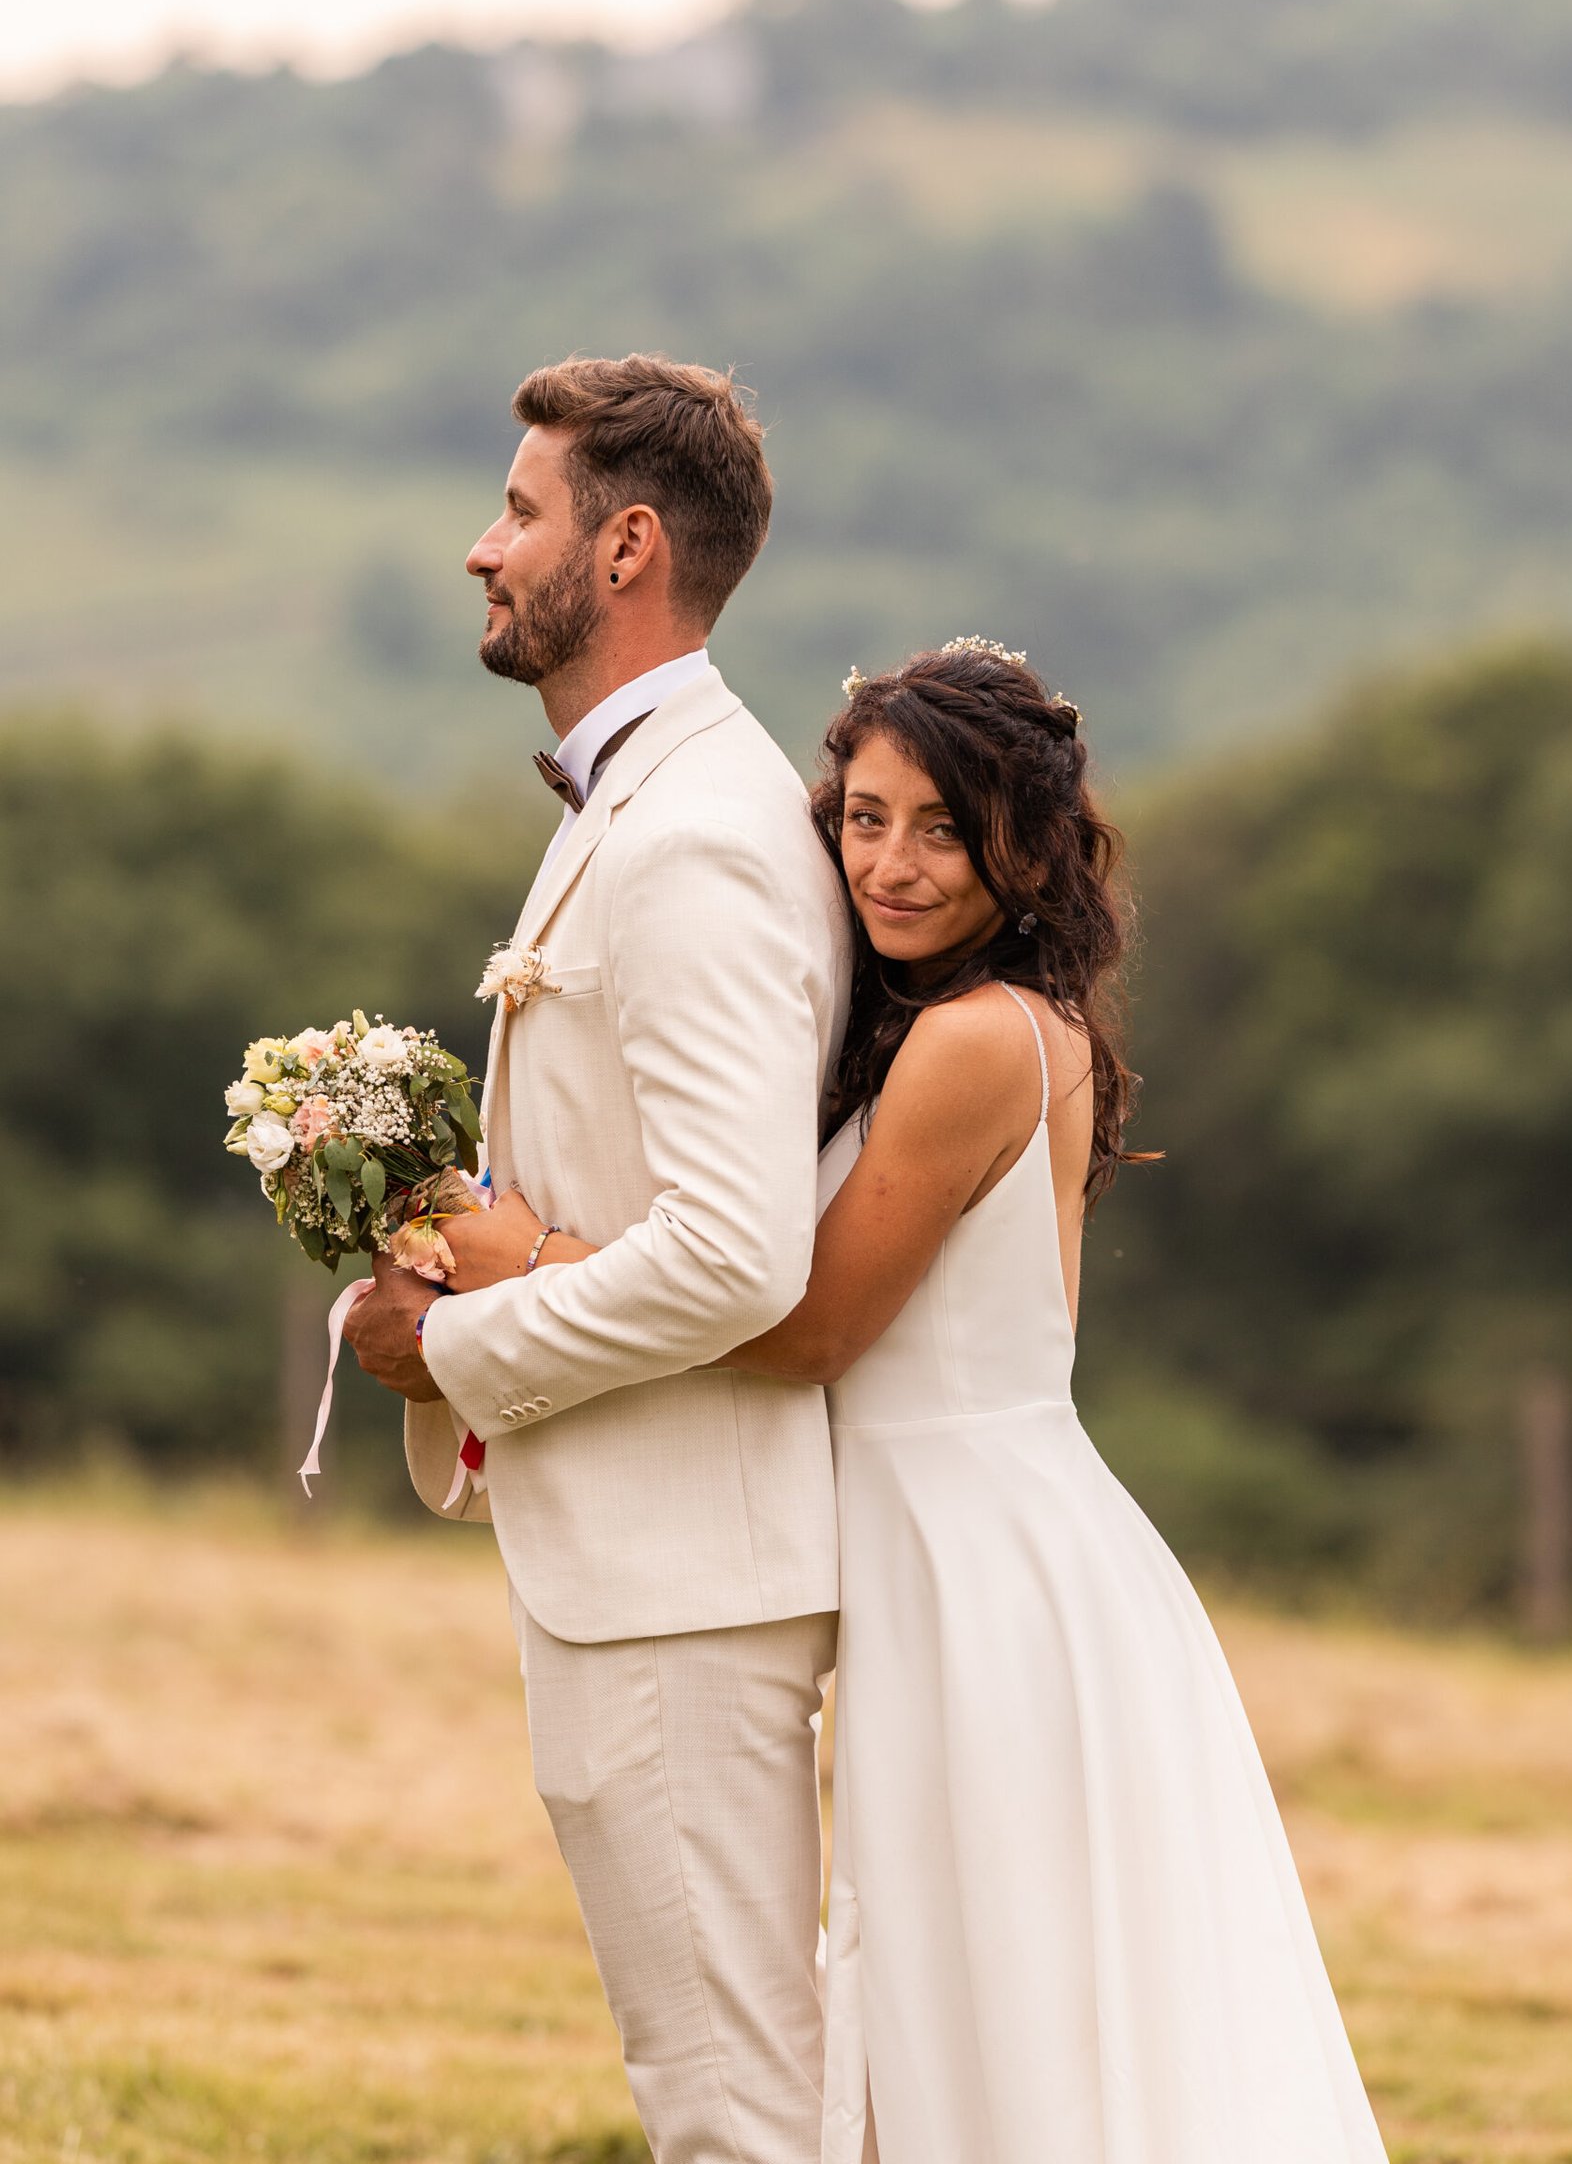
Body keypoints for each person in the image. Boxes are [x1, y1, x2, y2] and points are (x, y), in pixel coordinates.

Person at [474, 639, 1391, 2163]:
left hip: (990, 1568)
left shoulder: (976, 1041)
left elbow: (811, 1324)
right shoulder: (925, 1020)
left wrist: (533, 1257)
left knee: (1002, 2008)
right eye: (866, 818)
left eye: (944, 829)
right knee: (936, 2000)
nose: (891, 865)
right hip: (929, 1554)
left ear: (1024, 849)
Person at [345, 354, 853, 2164]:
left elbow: (735, 1253)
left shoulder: (696, 839)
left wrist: (465, 1347)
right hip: (653, 1567)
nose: (483, 550)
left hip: (682, 1586)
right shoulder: (659, 800)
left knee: (734, 2113)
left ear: (627, 545)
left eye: (522, 511)